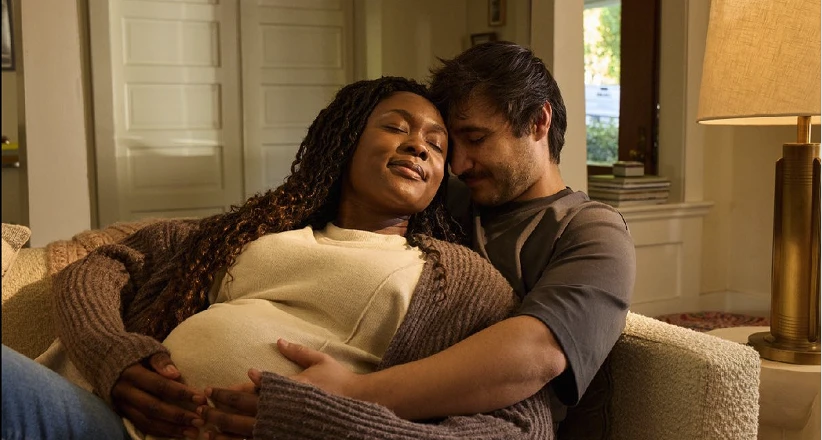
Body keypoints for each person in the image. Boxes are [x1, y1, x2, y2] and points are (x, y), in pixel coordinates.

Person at [1, 76, 555, 440]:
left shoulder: (456, 281)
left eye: (437, 145)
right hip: (110, 425)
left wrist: (336, 424)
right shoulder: (258, 231)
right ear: (344, 144)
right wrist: (114, 358)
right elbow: (101, 266)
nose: (419, 146)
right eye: (396, 127)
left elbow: (522, 426)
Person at [270, 41, 636, 432]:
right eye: (451, 147)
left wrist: (350, 395)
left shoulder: (592, 232)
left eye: (476, 139)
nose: (458, 165)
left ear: (537, 121)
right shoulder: (445, 195)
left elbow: (535, 354)